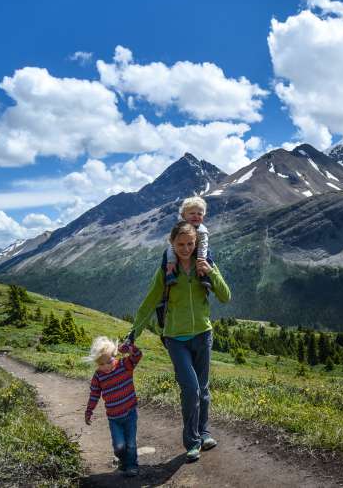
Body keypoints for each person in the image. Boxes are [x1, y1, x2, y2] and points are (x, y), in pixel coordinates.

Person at [131, 221, 231, 462]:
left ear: (196, 243)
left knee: (203, 390)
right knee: (191, 389)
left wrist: (211, 272)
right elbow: (150, 301)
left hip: (203, 335)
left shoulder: (204, 265)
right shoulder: (167, 270)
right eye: (180, 244)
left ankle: (204, 433)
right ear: (172, 244)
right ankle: (192, 441)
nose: (185, 248)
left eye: (190, 244)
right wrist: (134, 334)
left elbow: (226, 296)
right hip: (176, 338)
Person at [84, 336, 143, 477]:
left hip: (130, 413)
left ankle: (132, 466)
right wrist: (89, 410)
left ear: (114, 356)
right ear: (97, 364)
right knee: (119, 446)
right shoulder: (98, 376)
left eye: (109, 361)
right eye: (102, 364)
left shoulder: (124, 365)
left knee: (130, 443)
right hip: (114, 419)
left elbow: (137, 355)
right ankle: (122, 460)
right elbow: (94, 394)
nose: (107, 366)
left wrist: (129, 348)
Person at [165, 196, 212, 292]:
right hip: (182, 250)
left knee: (208, 253)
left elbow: (203, 246)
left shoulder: (202, 231)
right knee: (166, 255)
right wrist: (171, 260)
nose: (196, 216)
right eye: (192, 213)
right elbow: (172, 244)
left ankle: (204, 276)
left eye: (200, 214)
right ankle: (169, 274)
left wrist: (201, 260)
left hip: (197, 251)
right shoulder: (179, 228)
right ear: (183, 215)